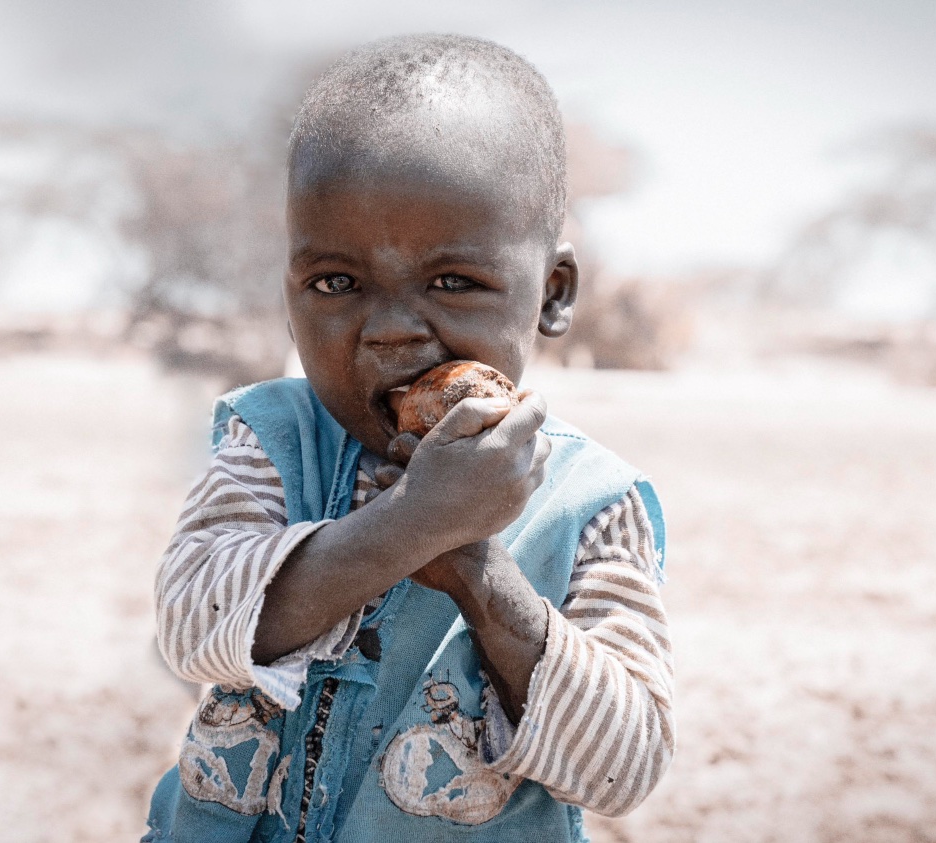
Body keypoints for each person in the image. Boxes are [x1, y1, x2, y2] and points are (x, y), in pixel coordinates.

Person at [144, 34, 674, 843]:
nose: (390, 331)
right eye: (336, 283)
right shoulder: (272, 442)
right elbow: (190, 625)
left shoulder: (590, 503)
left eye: (453, 282)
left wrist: (477, 571)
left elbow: (623, 764)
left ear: (553, 293)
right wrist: (408, 526)